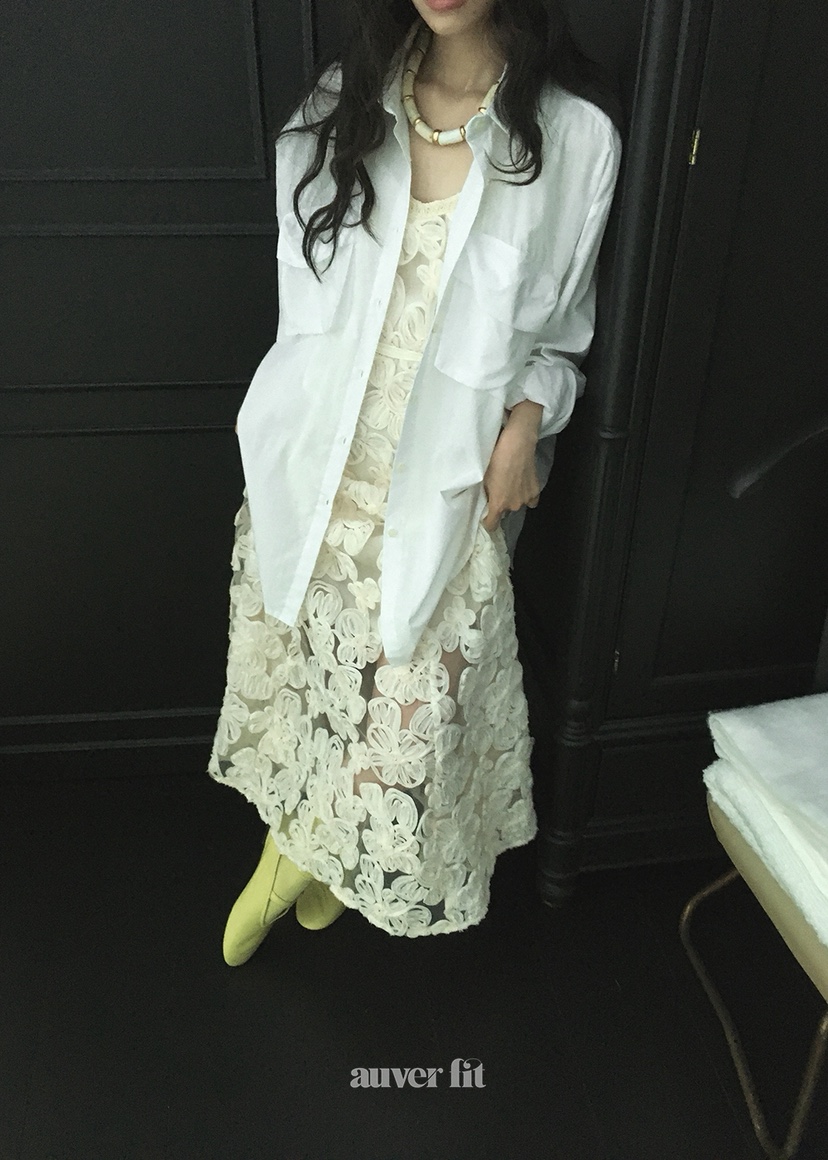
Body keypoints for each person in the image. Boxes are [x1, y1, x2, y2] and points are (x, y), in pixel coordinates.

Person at [208, 0, 622, 964]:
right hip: (320, 472)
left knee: (407, 722)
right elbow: (303, 316)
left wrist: (529, 421)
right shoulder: (337, 107)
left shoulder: (574, 138)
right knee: (316, 696)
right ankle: (323, 865)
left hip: (447, 484)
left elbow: (562, 336)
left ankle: (287, 862)